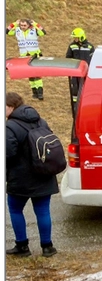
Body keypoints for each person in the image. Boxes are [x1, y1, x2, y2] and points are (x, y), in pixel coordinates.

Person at [5, 92, 58, 257]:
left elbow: (8, 153)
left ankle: (22, 246)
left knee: (15, 209)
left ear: (12, 107)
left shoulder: (10, 126)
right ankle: (47, 247)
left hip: (21, 179)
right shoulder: (41, 121)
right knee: (43, 211)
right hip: (44, 174)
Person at [7, 19, 47, 100]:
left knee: (37, 74)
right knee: (29, 74)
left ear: (29, 25)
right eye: (21, 25)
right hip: (24, 55)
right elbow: (7, 31)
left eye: (25, 25)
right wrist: (14, 24)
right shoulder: (17, 30)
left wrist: (36, 24)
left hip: (35, 55)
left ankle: (40, 93)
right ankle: (34, 92)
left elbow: (43, 32)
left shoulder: (34, 29)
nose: (23, 27)